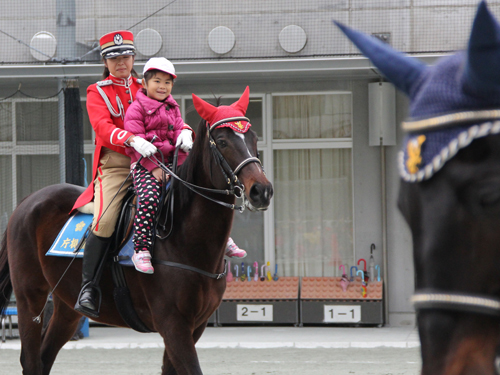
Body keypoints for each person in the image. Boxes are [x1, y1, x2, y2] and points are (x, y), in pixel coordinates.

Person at [124, 57, 247, 274]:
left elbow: (179, 127)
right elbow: (135, 141)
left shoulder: (173, 107)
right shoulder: (136, 109)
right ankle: (141, 248)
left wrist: (185, 133)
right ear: (144, 83)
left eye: (167, 83)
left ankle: (222, 237)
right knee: (150, 198)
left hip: (173, 166)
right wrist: (153, 167)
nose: (162, 87)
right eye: (157, 81)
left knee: (198, 197)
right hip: (146, 166)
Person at [71, 30, 158, 318]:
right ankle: (89, 287)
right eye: (114, 58)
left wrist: (184, 132)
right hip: (117, 164)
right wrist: (131, 139)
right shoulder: (97, 91)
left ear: (134, 58)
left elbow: (167, 114)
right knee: (106, 219)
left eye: (126, 56)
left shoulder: (147, 86)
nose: (122, 62)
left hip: (153, 160)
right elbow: (102, 127)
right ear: (105, 62)